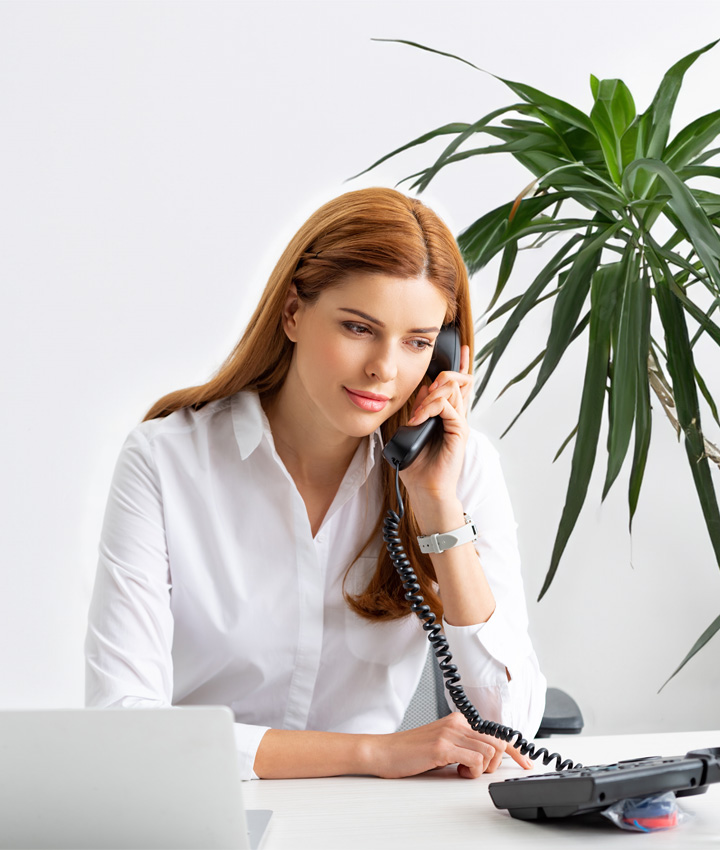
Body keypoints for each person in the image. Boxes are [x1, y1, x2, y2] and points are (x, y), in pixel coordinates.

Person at [85, 187, 547, 781]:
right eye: (359, 328)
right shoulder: (165, 462)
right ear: (293, 313)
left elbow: (506, 725)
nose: (385, 368)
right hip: (206, 808)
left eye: (418, 343)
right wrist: (371, 753)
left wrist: (437, 507)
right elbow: (122, 725)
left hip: (365, 824)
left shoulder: (457, 469)